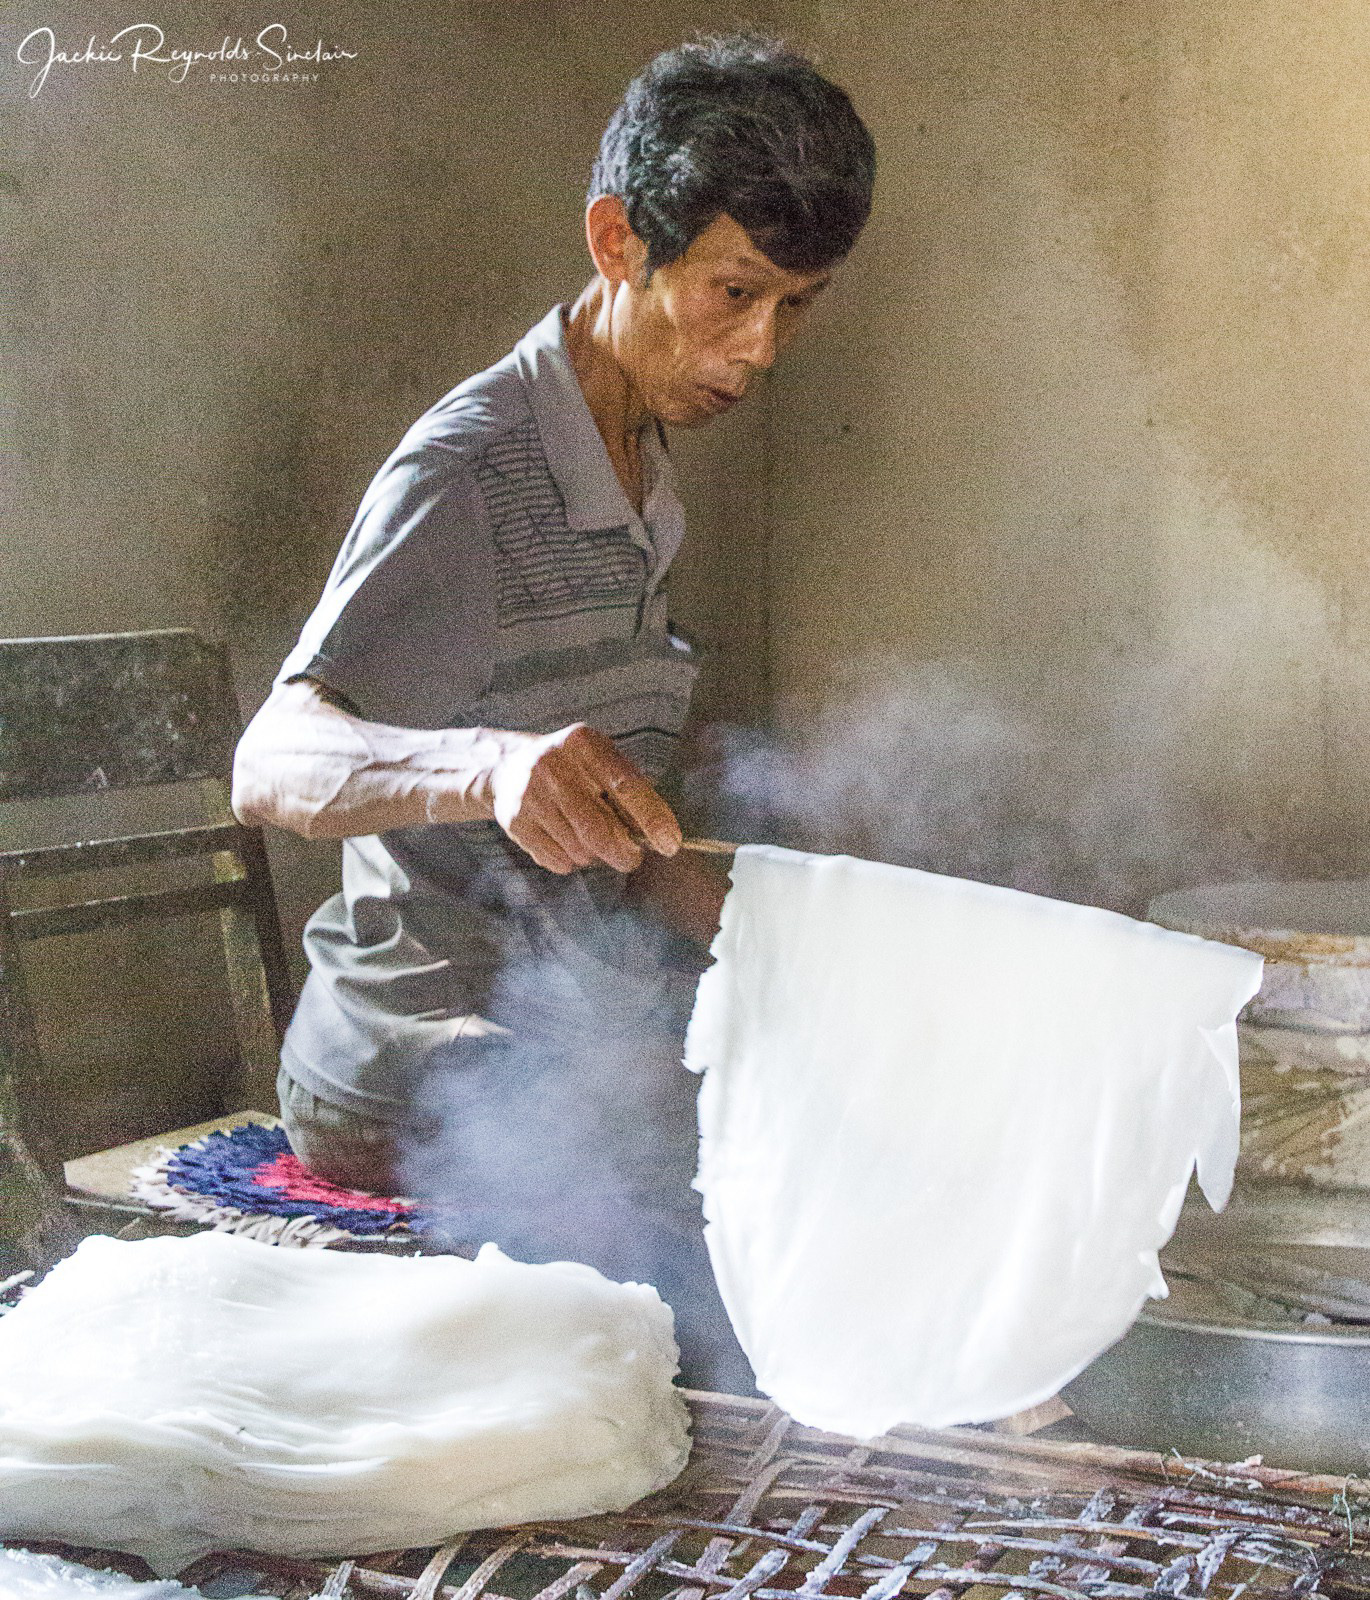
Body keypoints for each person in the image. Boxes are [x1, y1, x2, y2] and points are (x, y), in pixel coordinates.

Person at [232, 32, 875, 1389]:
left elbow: (611, 849)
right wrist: (492, 765)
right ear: (615, 240)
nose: (759, 350)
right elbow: (272, 761)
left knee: (862, 1094)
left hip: (573, 1023)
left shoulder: (639, 472)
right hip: (426, 1052)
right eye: (733, 293)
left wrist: (808, 933)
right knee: (759, 1202)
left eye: (797, 306)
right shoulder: (473, 467)